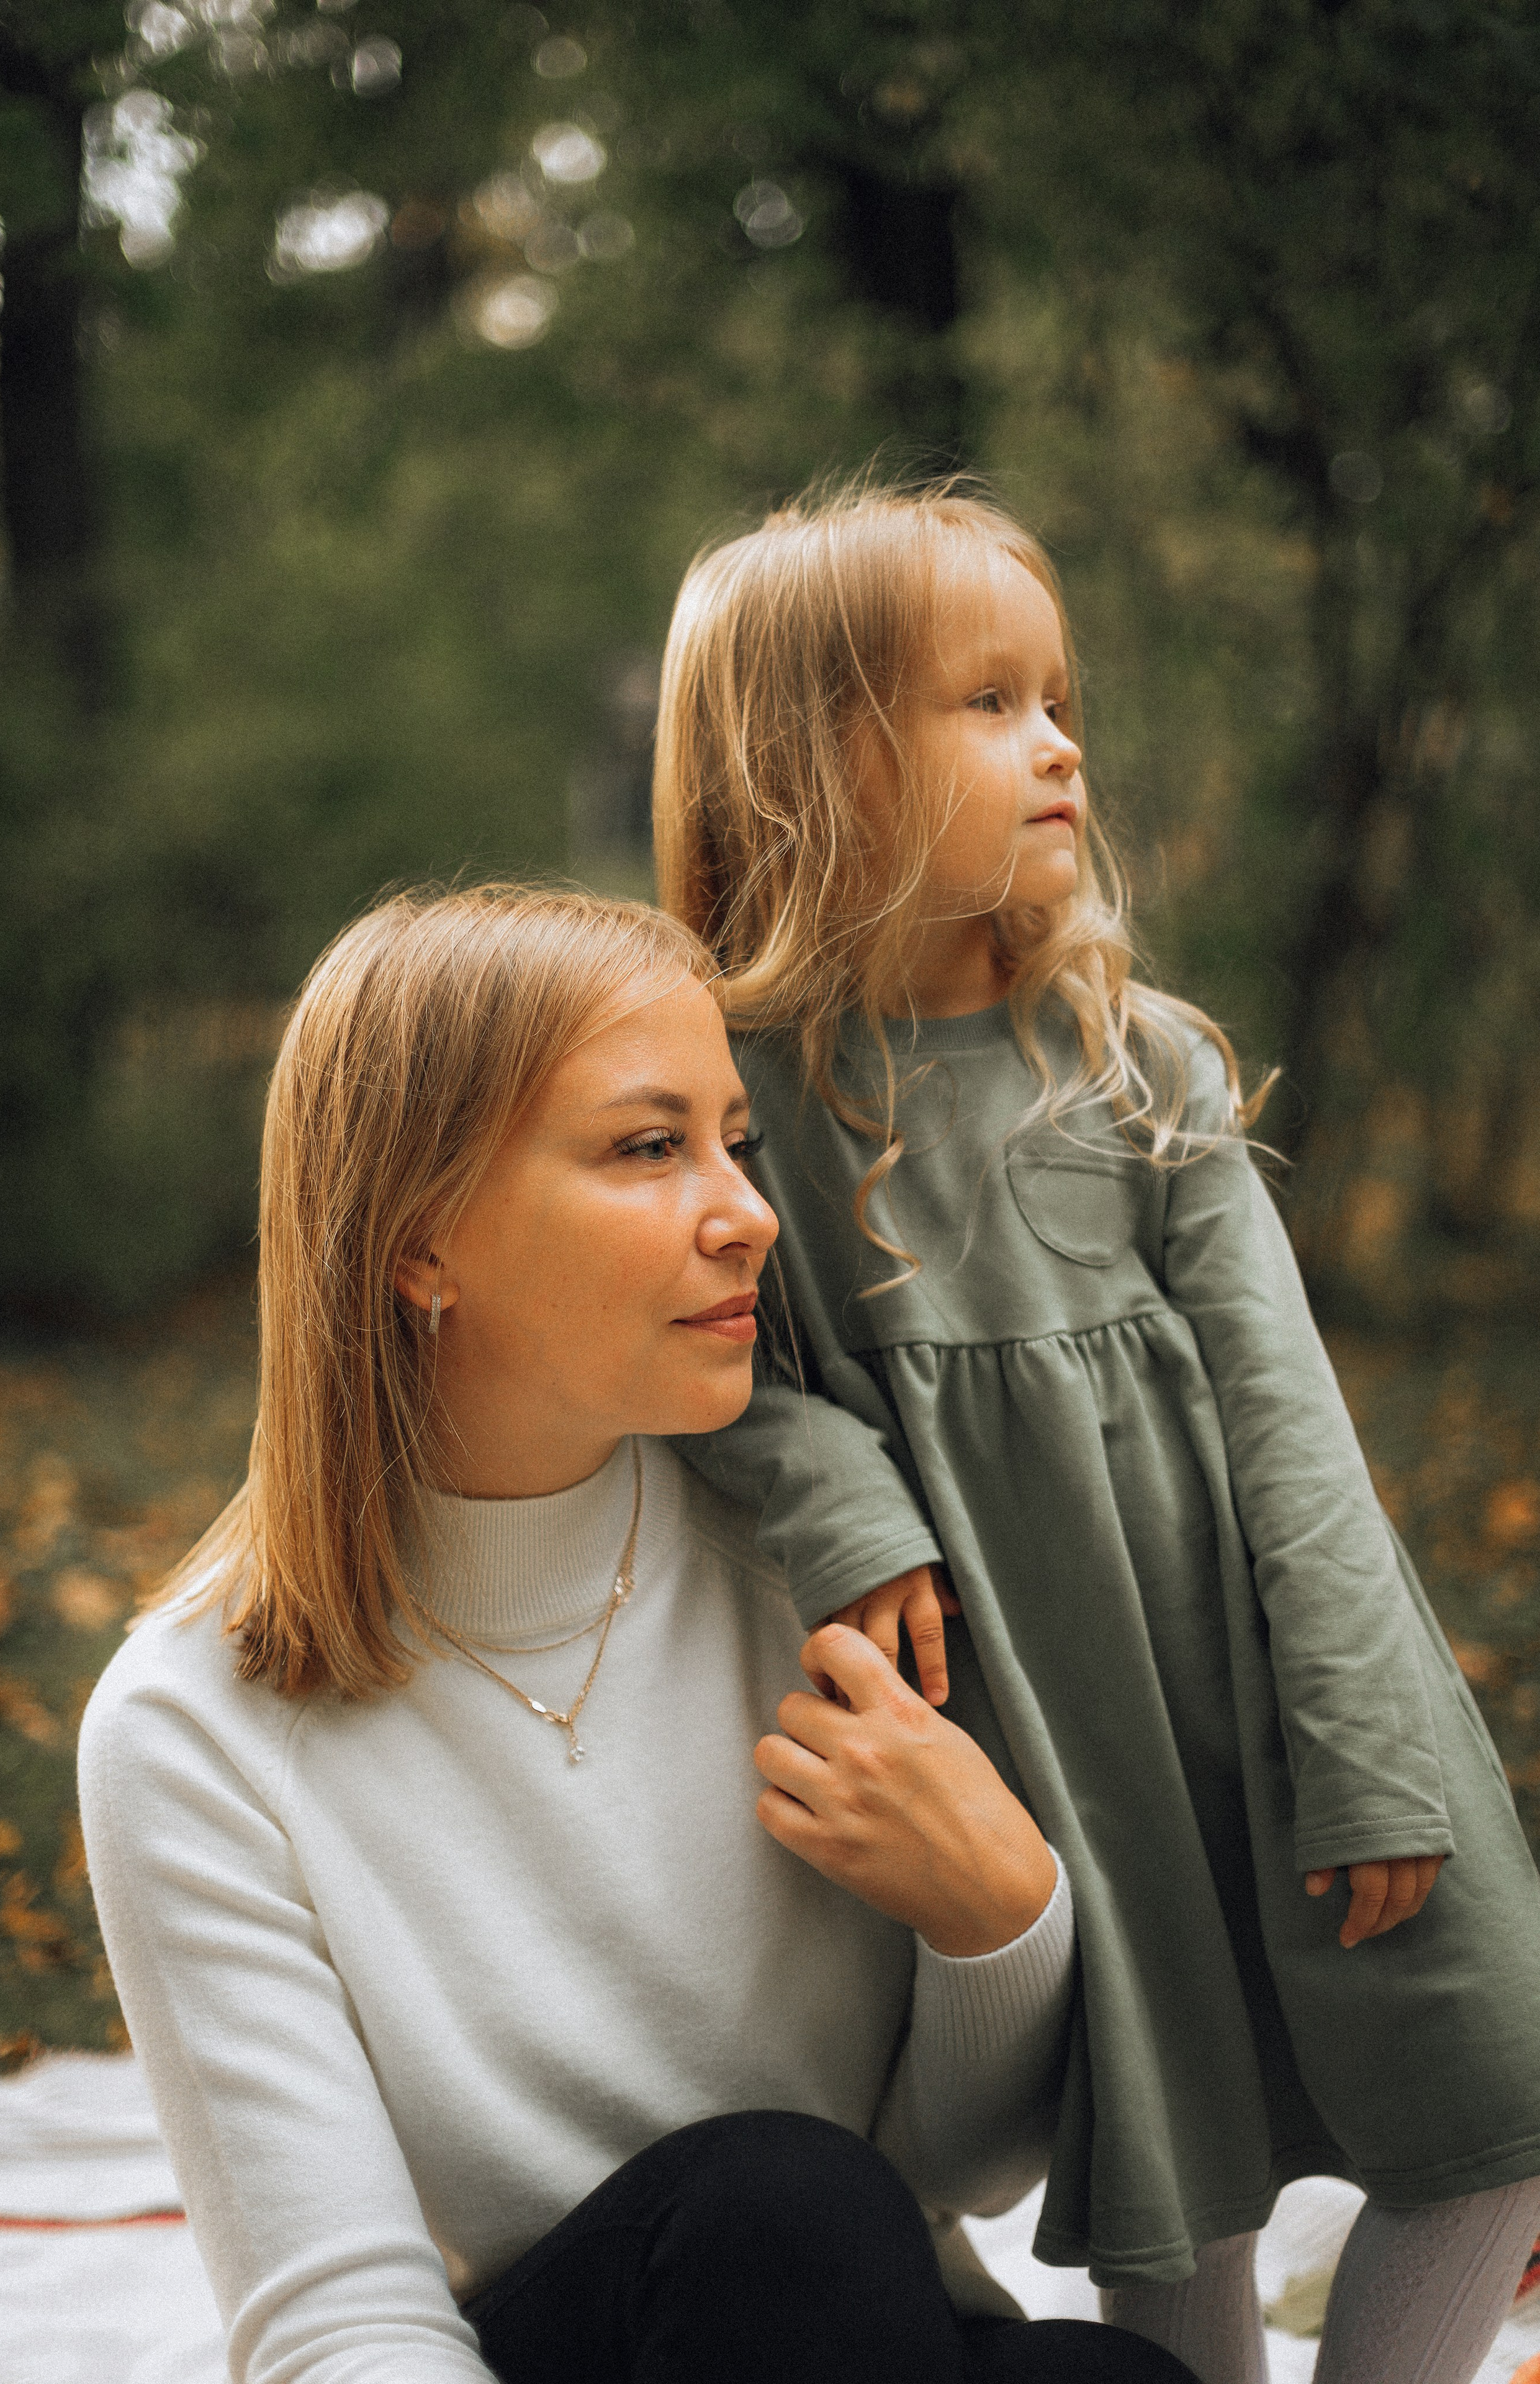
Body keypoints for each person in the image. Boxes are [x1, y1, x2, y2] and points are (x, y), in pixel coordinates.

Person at [653, 477, 1540, 2384]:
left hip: (1302, 1675)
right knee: (1184, 2153)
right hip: (1069, 1718)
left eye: (1059, 701)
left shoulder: (1140, 1059)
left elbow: (1294, 1431)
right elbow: (710, 1372)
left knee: (1496, 2112)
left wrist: (1370, 1750)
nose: (1059, 745)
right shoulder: (742, 1096)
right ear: (817, 767)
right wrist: (844, 1492)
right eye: (990, 705)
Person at [78, 885, 1191, 2384]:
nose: (747, 1213)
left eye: (733, 1140)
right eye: (648, 1147)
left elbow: (958, 2185)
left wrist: (995, 1919)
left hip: (848, 2334)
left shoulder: (829, 1584)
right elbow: (343, 2328)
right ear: (420, 1243)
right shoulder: (194, 1726)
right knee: (779, 2215)